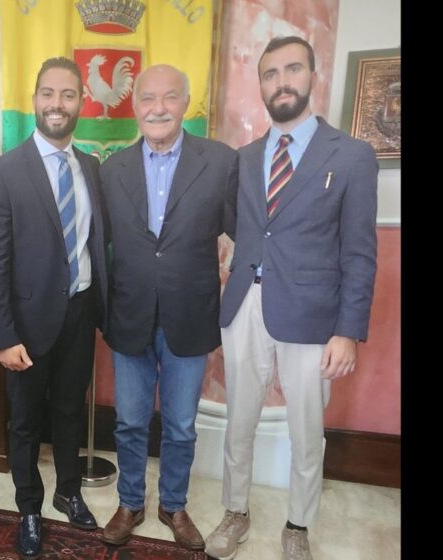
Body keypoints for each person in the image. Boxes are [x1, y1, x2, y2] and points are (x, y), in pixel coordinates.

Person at [203, 36, 377, 560]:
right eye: (270, 73)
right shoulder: (245, 158)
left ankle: (298, 524)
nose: (281, 82)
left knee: (306, 428)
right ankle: (235, 511)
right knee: (240, 421)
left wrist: (348, 331)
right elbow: (242, 226)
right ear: (261, 85)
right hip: (244, 305)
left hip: (313, 315)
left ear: (312, 76)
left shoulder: (351, 156)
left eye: (292, 69)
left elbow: (359, 252)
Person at [98, 64, 238, 552]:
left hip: (191, 316)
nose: (158, 108)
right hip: (129, 314)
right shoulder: (111, 169)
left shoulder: (220, 162)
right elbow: (97, 243)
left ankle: (173, 505)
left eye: (170, 97)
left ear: (186, 103)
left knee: (180, 425)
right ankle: (130, 502)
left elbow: (248, 232)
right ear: (134, 106)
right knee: (130, 422)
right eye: (148, 98)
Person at [0, 56, 108, 559]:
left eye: (68, 95)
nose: (58, 103)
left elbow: (96, 243)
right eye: (48, 93)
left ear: (81, 103)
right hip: (26, 324)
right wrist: (4, 335)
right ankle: (29, 508)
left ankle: (68, 492)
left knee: (71, 410)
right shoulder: (2, 173)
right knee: (27, 421)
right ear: (34, 100)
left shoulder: (91, 168)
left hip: (80, 312)